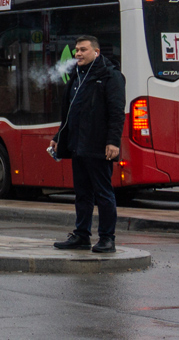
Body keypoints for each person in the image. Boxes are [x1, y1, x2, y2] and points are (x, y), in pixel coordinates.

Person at [49, 35, 125, 254]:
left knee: (103, 193)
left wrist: (112, 141)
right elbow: (72, 113)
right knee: (82, 193)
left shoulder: (110, 77)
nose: (78, 54)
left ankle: (107, 238)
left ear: (96, 52)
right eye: (76, 50)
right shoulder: (77, 76)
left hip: (98, 146)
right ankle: (81, 235)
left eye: (83, 50)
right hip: (77, 145)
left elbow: (116, 113)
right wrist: (58, 136)